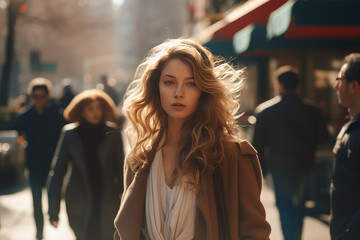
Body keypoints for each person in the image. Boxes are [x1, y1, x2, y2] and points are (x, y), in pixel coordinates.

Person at [113, 38, 271, 240]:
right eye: (169, 82)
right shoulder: (140, 158)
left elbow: (256, 234)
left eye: (191, 83)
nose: (179, 93)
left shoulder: (232, 155)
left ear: (203, 91)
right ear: (156, 87)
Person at [252, 66, 329, 240]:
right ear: (298, 85)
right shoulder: (312, 110)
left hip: (279, 167)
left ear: (279, 84)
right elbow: (322, 137)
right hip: (305, 166)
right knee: (299, 208)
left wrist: (262, 171)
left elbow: (257, 145)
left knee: (284, 207)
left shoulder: (265, 111)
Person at [47, 89, 124, 240]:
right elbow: (58, 172)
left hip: (108, 199)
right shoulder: (69, 134)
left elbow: (122, 171)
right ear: (82, 112)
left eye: (98, 108)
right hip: (78, 200)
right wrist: (53, 211)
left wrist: (128, 204)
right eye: (91, 109)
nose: (96, 112)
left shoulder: (113, 133)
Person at [1, 77, 65, 240]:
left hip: (53, 164)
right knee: (36, 201)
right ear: (31, 96)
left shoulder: (57, 116)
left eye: (42, 95)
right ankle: (39, 231)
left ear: (48, 95)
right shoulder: (26, 116)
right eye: (36, 96)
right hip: (34, 165)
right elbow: (11, 127)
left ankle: (53, 217)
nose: (39, 99)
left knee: (54, 196)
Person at [330, 53, 360, 240]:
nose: (335, 86)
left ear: (354, 86)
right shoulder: (350, 127)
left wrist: (350, 233)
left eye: (339, 80)